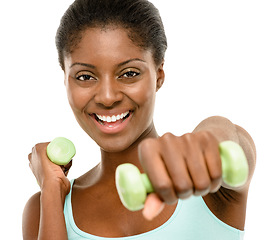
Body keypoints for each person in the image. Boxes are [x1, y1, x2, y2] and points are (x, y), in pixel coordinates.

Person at [22, 0, 256, 239]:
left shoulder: (214, 181)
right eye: (85, 76)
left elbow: (231, 142)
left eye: (129, 73)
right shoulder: (44, 209)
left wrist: (208, 140)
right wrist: (51, 192)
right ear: (65, 81)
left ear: (159, 75)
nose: (107, 96)